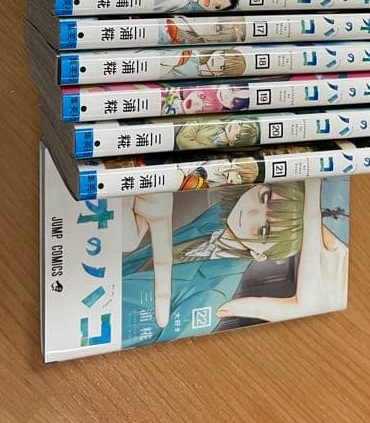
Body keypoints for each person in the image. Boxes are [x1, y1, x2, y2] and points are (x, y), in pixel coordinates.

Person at [121, 178, 347, 343]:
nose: (249, 212)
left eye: (264, 230)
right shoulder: (218, 217)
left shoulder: (212, 295)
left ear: (260, 255)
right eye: (264, 197)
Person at [174, 117, 260, 152]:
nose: (235, 128)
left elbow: (182, 141)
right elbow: (196, 119)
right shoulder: (217, 122)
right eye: (240, 123)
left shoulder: (211, 149)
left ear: (233, 143)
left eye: (238, 135)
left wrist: (190, 129)